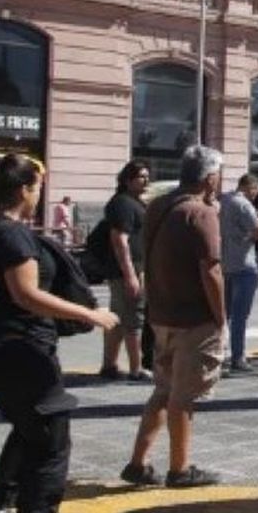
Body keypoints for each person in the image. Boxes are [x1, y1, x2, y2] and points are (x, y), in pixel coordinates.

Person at [0, 154, 119, 513]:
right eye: (36, 187)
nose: (39, 194)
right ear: (24, 190)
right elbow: (26, 294)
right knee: (50, 434)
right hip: (17, 349)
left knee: (31, 425)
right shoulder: (12, 236)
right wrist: (90, 314)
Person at [120, 145, 227, 489]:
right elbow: (211, 269)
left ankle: (138, 462)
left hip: (161, 313)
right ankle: (180, 469)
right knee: (184, 396)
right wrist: (221, 316)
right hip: (194, 317)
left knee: (163, 390)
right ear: (210, 178)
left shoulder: (158, 205)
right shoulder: (201, 213)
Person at [99, 160, 151, 380]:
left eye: (147, 176)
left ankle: (109, 365)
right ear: (128, 180)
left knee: (118, 319)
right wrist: (130, 275)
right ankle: (136, 368)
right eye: (141, 176)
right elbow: (120, 240)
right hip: (128, 270)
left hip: (133, 268)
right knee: (133, 317)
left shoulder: (134, 202)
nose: (146, 180)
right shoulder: (123, 204)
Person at [219, 174, 258, 374]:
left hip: (225, 264)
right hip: (244, 265)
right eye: (256, 191)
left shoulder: (223, 201)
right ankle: (238, 357)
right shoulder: (244, 205)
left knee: (224, 314)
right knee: (240, 315)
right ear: (252, 187)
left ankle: (219, 354)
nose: (256, 195)